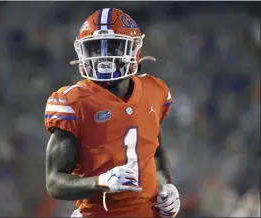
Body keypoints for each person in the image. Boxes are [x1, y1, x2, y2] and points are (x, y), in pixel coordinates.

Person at [44, 8, 180, 217]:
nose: (103, 56)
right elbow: (54, 183)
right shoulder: (72, 102)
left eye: (114, 46)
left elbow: (156, 154)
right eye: (96, 49)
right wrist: (99, 182)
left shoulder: (154, 90)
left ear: (134, 50)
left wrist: (168, 188)